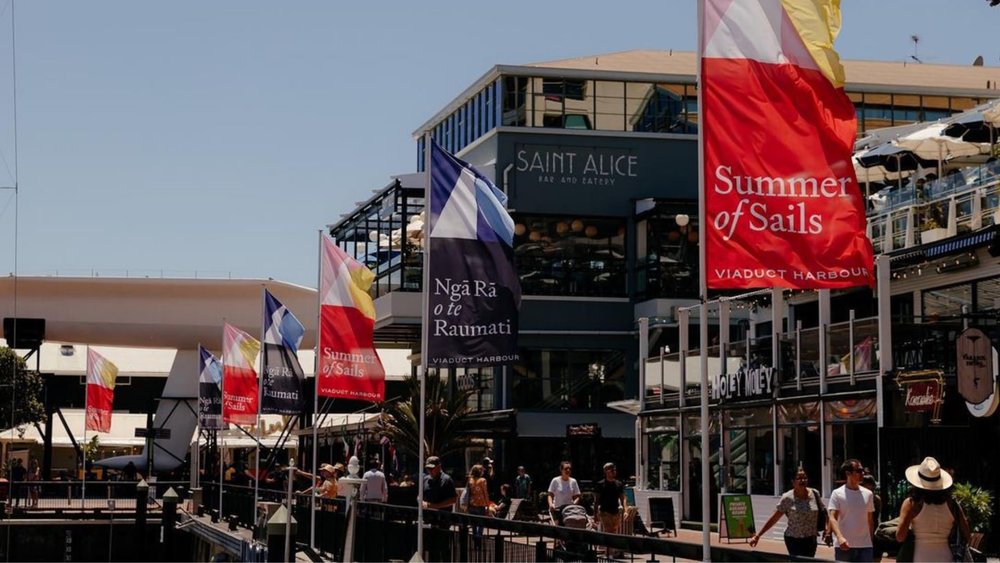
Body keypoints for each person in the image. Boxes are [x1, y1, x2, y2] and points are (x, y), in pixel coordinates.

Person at [896, 457, 971, 563]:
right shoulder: (952, 504)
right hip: (947, 558)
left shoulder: (912, 504)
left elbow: (900, 537)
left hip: (920, 558)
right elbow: (967, 536)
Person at [749, 468, 829, 558]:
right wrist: (758, 535)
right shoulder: (787, 498)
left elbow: (824, 512)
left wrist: (827, 531)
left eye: (805, 478)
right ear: (793, 482)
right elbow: (774, 518)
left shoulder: (815, 493)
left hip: (811, 538)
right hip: (793, 539)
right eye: (799, 478)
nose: (803, 480)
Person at [828, 458, 875, 562]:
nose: (862, 473)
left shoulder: (868, 494)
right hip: (844, 545)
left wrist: (870, 541)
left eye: (862, 470)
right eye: (858, 471)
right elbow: (832, 518)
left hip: (865, 546)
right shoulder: (837, 493)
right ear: (848, 473)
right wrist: (839, 538)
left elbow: (870, 520)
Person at [596, 462, 627, 558]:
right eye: (611, 469)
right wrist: (595, 515)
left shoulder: (618, 484)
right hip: (605, 512)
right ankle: (609, 554)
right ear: (606, 471)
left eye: (614, 469)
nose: (614, 471)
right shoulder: (601, 484)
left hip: (615, 512)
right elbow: (596, 500)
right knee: (609, 532)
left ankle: (610, 553)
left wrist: (625, 510)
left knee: (613, 532)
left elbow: (623, 498)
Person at [466, 464, 490, 540]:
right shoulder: (482, 480)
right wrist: (488, 505)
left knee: (473, 524)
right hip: (481, 505)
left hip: (471, 505)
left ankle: (474, 538)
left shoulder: (470, 480)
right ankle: (479, 540)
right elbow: (485, 493)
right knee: (481, 523)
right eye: (482, 470)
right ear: (479, 471)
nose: (483, 471)